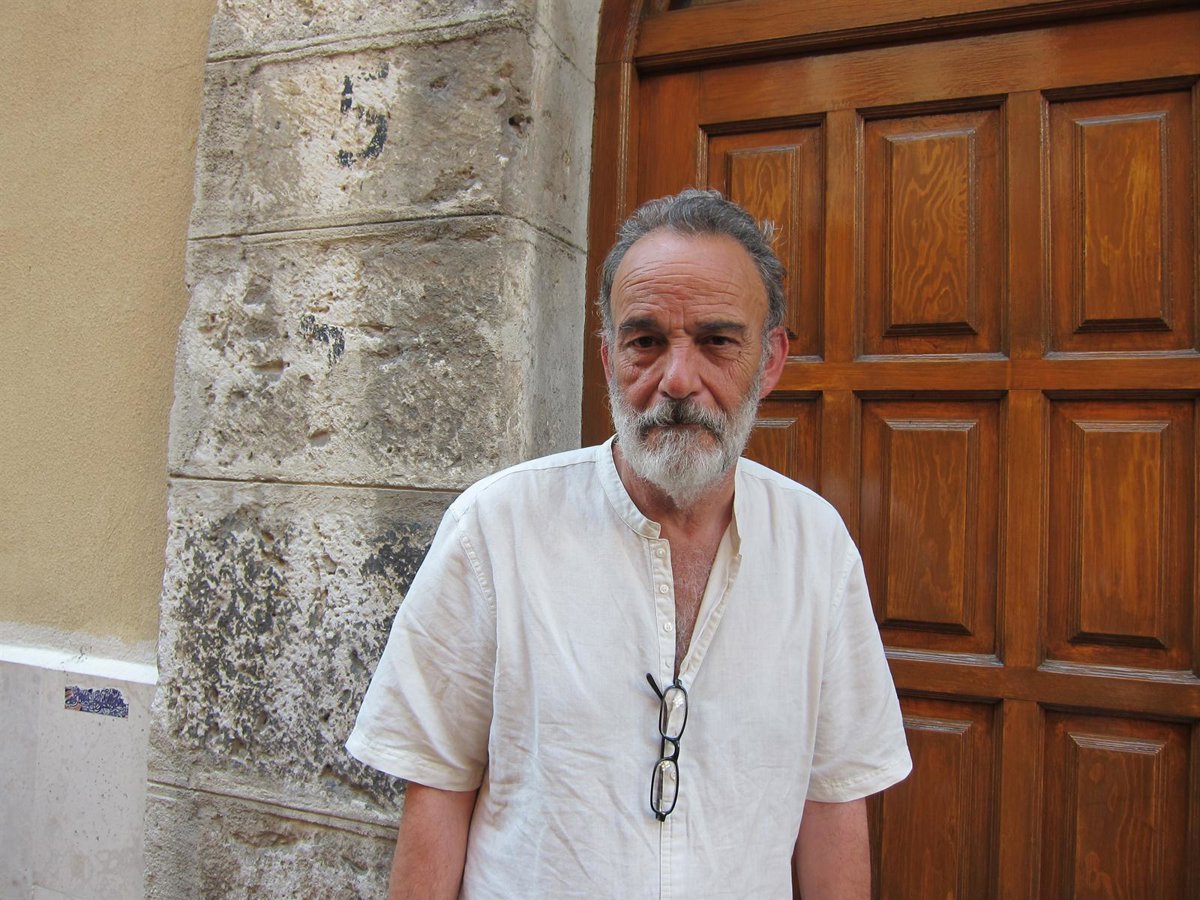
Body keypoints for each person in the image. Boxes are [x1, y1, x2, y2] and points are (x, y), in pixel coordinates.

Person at [347, 189, 911, 899]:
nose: (677, 380)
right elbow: (437, 788)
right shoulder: (495, 529)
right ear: (610, 356)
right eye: (645, 342)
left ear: (769, 361)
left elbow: (834, 803)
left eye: (717, 341)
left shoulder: (815, 547)